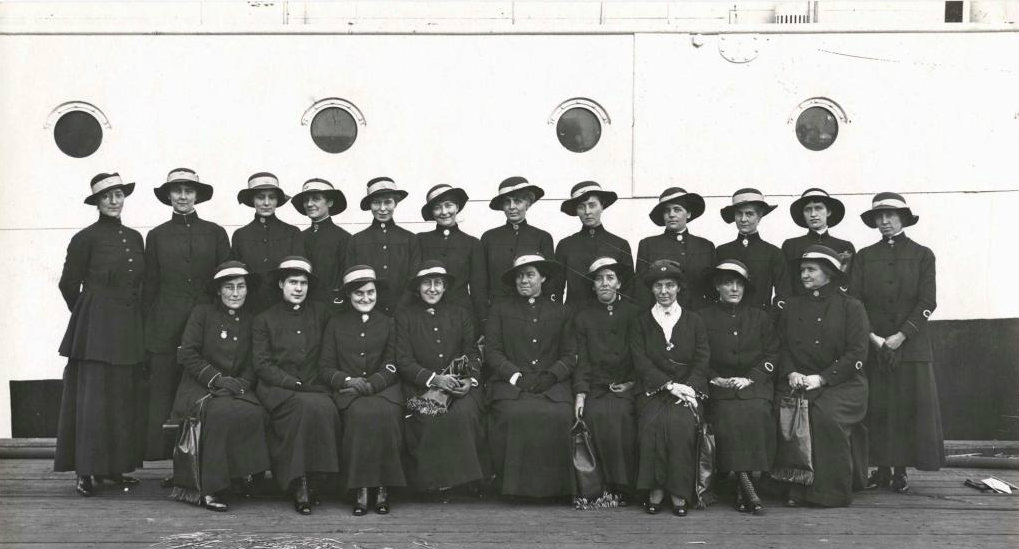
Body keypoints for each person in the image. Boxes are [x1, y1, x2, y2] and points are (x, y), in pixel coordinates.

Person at [55, 172, 146, 497]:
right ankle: (85, 471)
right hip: (94, 332)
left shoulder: (135, 238)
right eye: (106, 196)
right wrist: (86, 315)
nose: (113, 200)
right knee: (92, 403)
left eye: (118, 194)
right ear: (97, 202)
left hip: (127, 331)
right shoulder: (84, 238)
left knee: (121, 400)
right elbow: (68, 284)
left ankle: (113, 470)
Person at [850, 193, 943, 492]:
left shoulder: (923, 254)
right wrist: (875, 338)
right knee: (877, 406)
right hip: (874, 344)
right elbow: (855, 300)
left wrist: (901, 335)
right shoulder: (864, 256)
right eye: (879, 217)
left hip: (911, 345)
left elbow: (928, 301)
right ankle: (881, 468)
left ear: (903, 218)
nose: (885, 221)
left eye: (890, 215)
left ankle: (901, 471)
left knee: (906, 407)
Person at [142, 168, 230, 460]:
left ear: (197, 195)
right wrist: (147, 330)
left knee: (202, 391)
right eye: (177, 191)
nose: (182, 196)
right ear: (168, 196)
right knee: (164, 392)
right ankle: (165, 461)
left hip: (206, 327)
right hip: (165, 328)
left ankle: (202, 462)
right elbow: (150, 286)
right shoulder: (156, 236)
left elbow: (224, 282)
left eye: (188, 190)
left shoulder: (216, 233)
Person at [169, 260, 271, 512]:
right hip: (201, 387)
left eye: (240, 287)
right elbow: (188, 354)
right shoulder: (202, 314)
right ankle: (210, 487)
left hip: (237, 387)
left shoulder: (252, 319)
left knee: (255, 412)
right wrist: (217, 380)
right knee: (219, 413)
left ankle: (243, 476)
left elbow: (254, 360)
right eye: (229, 287)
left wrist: (241, 383)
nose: (235, 293)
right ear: (218, 290)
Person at [779, 245, 870, 507]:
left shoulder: (852, 307)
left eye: (811, 270)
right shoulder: (793, 306)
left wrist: (822, 378)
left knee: (823, 416)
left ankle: (829, 493)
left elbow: (857, 353)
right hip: (801, 381)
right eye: (802, 270)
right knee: (784, 410)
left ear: (829, 273)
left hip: (845, 384)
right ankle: (794, 487)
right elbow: (781, 346)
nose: (804, 275)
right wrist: (791, 371)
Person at [252, 256, 341, 515]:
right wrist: (292, 383)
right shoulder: (264, 319)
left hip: (314, 386)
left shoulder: (322, 313)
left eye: (303, 283)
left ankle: (318, 479)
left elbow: (329, 352)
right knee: (302, 408)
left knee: (325, 407)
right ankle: (297, 482)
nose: (298, 288)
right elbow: (262, 364)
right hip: (277, 388)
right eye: (293, 282)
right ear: (281, 284)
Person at [395, 260, 488, 501]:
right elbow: (403, 360)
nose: (433, 289)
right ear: (418, 288)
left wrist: (470, 380)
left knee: (465, 413)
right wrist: (434, 379)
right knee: (429, 415)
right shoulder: (405, 316)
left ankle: (468, 481)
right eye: (427, 283)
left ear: (445, 287)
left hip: (458, 382)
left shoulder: (460, 313)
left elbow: (471, 351)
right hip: (421, 385)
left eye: (438, 283)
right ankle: (434, 485)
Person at [485, 254, 576, 498]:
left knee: (561, 415)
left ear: (543, 277)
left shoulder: (562, 311)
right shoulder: (500, 309)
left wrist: (551, 376)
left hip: (551, 385)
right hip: (511, 385)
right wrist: (515, 376)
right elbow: (492, 351)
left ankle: (557, 490)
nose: (523, 280)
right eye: (519, 276)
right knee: (513, 414)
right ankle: (513, 489)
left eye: (530, 275)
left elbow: (570, 354)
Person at [319, 265, 406, 516]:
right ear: (349, 296)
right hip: (349, 393)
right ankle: (359, 488)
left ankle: (382, 488)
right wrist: (346, 380)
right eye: (358, 294)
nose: (365, 298)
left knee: (386, 416)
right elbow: (325, 367)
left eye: (370, 292)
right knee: (360, 417)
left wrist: (373, 383)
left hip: (384, 390)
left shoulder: (389, 323)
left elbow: (393, 363)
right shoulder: (335, 323)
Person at [630, 259, 709, 516]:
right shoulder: (641, 321)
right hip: (654, 391)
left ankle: (679, 491)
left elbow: (702, 358)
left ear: (678, 288)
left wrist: (688, 389)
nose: (664, 291)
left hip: (686, 393)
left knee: (680, 425)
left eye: (670, 285)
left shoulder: (694, 321)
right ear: (651, 289)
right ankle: (655, 490)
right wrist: (667, 384)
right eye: (658, 286)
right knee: (651, 425)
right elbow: (639, 359)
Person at [698, 260, 777, 515]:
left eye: (739, 284)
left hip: (754, 385)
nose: (734, 288)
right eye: (727, 283)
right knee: (728, 416)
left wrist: (751, 377)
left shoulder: (760, 317)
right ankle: (745, 484)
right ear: (717, 287)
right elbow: (698, 356)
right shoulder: (702, 317)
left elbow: (773, 353)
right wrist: (714, 378)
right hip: (719, 386)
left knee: (758, 412)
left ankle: (745, 483)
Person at [572, 257, 640, 504]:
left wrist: (633, 383)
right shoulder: (583, 317)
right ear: (592, 285)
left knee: (624, 413)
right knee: (597, 414)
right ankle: (603, 487)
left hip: (629, 385)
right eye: (598, 279)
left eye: (610, 278)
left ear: (619, 283)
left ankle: (626, 486)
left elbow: (642, 355)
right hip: (597, 387)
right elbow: (582, 361)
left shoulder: (635, 313)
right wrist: (581, 393)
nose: (604, 283)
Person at [416, 184, 488, 331]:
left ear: (457, 207)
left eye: (448, 205)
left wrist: (482, 323)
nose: (444, 212)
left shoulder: (472, 243)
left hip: (462, 317)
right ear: (432, 211)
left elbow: (478, 289)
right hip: (425, 316)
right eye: (437, 207)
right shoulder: (420, 240)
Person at [345, 177, 420, 316]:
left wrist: (402, 308)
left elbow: (414, 279)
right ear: (370, 205)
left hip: (404, 313)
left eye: (388, 202)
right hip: (368, 313)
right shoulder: (356, 240)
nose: (382, 208)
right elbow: (352, 281)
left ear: (395, 203)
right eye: (376, 203)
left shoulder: (410, 239)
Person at [554, 181, 633, 310]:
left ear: (602, 206)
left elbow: (628, 290)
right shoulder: (566, 245)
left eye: (592, 205)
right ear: (576, 210)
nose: (587, 212)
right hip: (574, 319)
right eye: (581, 207)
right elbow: (556, 288)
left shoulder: (619, 244)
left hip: (610, 319)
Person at [231, 172, 302, 314]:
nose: (266, 203)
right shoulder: (241, 235)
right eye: (260, 197)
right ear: (252, 200)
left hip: (284, 309)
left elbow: (298, 274)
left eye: (272, 197)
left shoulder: (292, 233)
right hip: (250, 309)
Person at [635, 187, 715, 310]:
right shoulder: (648, 244)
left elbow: (711, 289)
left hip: (699, 317)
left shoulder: (705, 246)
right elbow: (641, 289)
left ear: (688, 214)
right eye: (667, 211)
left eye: (677, 210)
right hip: (660, 315)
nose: (671, 214)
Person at [480, 177, 555, 304]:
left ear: (528, 204)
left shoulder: (542, 237)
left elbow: (550, 280)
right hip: (498, 309)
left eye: (518, 201)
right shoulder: (489, 237)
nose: (512, 207)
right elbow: (482, 280)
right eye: (507, 202)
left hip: (533, 310)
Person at [716, 188, 790, 314]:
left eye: (749, 214)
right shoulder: (722, 251)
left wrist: (770, 318)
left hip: (761, 322)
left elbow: (783, 293)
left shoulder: (773, 252)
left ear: (759, 216)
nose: (743, 219)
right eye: (739, 213)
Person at [781, 188, 856, 296]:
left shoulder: (845, 246)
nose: (813, 214)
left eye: (818, 208)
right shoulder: (791, 246)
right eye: (807, 209)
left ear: (828, 212)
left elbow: (850, 285)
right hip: (799, 309)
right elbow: (786, 284)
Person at [293, 178, 351, 309]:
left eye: (316, 199)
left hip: (331, 309)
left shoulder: (344, 238)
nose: (309, 204)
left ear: (330, 202)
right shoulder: (299, 237)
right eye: (306, 200)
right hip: (302, 309)